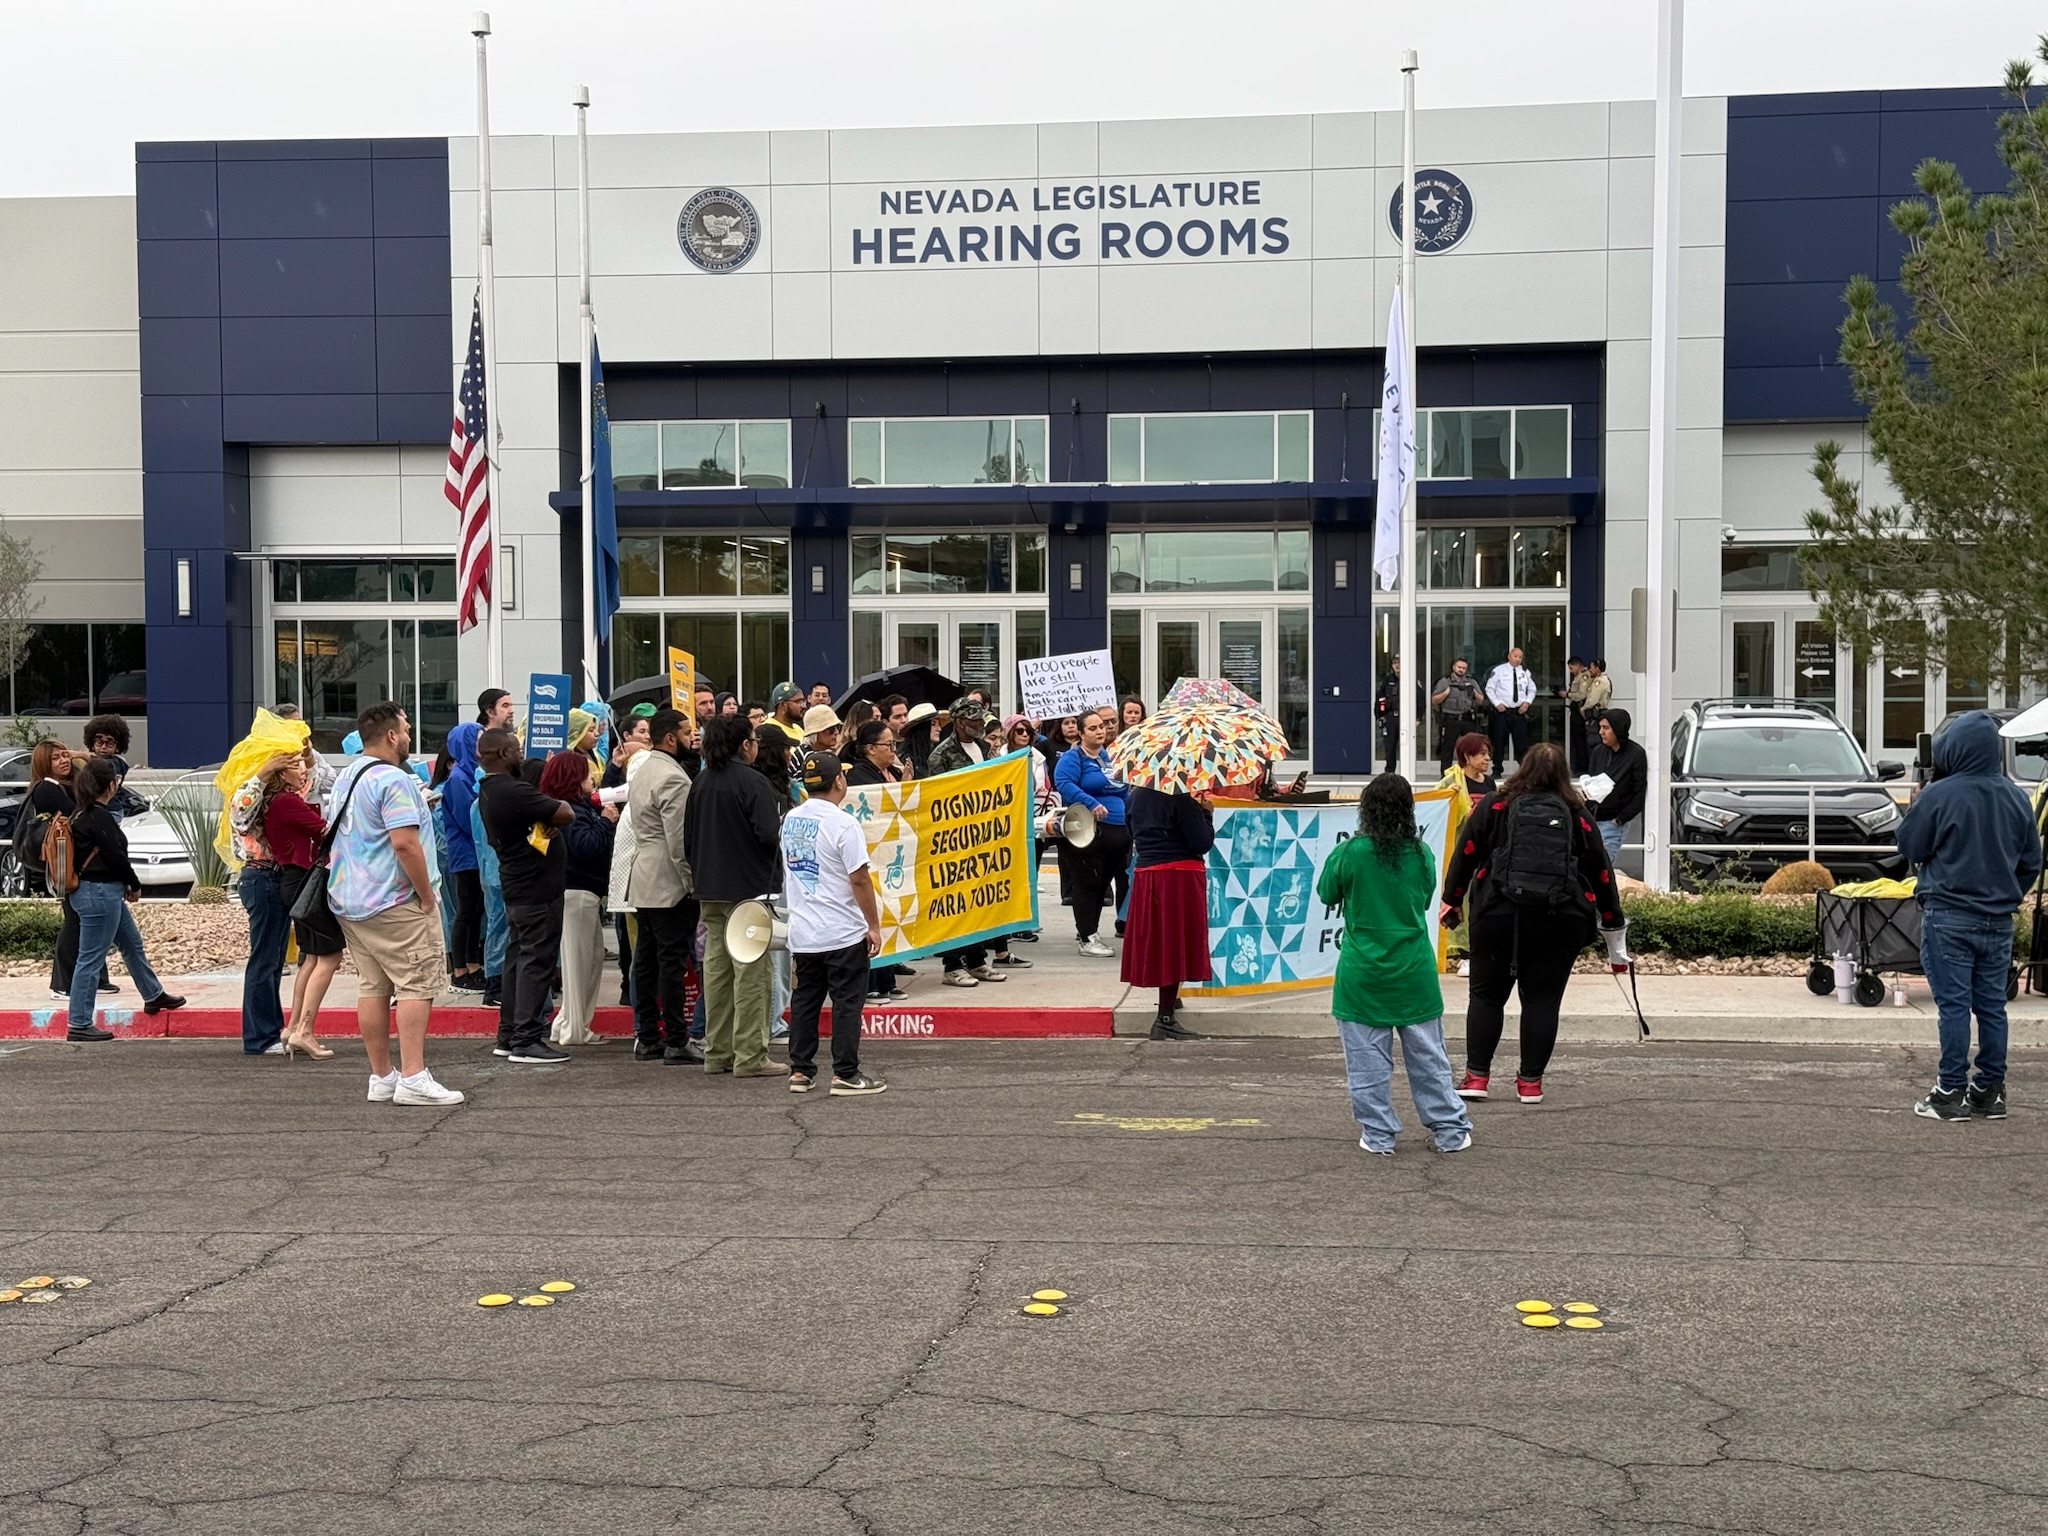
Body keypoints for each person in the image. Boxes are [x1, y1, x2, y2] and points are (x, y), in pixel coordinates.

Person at [1441, 742, 1625, 1106]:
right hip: (1560, 919)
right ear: (1563, 775)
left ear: (1522, 768)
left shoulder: (1496, 804)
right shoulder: (1576, 813)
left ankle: (1477, 1077)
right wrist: (1612, 927)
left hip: (1496, 914)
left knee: (1486, 996)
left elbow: (1465, 852)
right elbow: (1601, 871)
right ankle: (1530, 1084)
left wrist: (1452, 902)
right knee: (1542, 1000)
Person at [1316, 774, 1475, 1155]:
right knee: (1429, 1059)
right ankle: (1450, 1130)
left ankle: (1379, 1135)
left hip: (1362, 974)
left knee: (1367, 1065)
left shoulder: (1349, 853)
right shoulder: (1421, 854)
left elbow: (1326, 893)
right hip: (1413, 972)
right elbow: (1422, 902)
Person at [1897, 711, 2042, 1122]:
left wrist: (1917, 800)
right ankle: (1990, 1091)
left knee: (1955, 1006)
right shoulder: (2016, 796)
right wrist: (2007, 893)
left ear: (1954, 749)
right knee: (1992, 1006)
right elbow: (2031, 861)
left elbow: (1911, 846)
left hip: (1949, 915)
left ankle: (1949, 1091)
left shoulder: (1940, 795)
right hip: (1999, 919)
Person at [326, 702, 462, 1107]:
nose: (408, 734)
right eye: (405, 728)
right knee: (416, 984)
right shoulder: (394, 780)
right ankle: (414, 1076)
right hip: (395, 898)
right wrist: (425, 895)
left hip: (351, 899)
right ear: (390, 736)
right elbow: (404, 843)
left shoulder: (347, 775)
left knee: (373, 987)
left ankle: (382, 1075)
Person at [780, 749, 888, 1096]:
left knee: (805, 1001)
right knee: (846, 1003)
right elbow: (859, 879)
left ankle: (800, 1070)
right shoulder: (843, 823)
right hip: (841, 931)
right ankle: (845, 1073)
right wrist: (873, 924)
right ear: (839, 781)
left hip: (804, 932)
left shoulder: (791, 820)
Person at [684, 712, 786, 1076]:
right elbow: (769, 836)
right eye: (754, 739)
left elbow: (689, 839)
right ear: (745, 744)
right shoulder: (753, 782)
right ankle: (750, 1055)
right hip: (748, 889)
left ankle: (718, 1052)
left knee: (716, 970)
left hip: (710, 888)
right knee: (751, 973)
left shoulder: (700, 782)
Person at [60, 758, 186, 1043]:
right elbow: (115, 856)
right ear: (111, 784)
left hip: (97, 893)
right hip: (100, 893)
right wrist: (134, 883)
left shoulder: (81, 814)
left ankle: (153, 994)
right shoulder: (100, 817)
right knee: (90, 959)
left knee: (131, 944)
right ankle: (78, 1022)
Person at [476, 729, 574, 1065]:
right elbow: (565, 812)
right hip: (536, 889)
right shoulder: (511, 789)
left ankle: (509, 1033)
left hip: (520, 886)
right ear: (503, 754)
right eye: (517, 750)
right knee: (536, 960)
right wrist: (549, 815)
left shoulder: (490, 790)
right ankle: (527, 1039)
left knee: (518, 958)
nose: (522, 754)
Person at [256, 750, 344, 1059]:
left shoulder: (277, 803)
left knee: (311, 957)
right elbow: (325, 831)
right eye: (295, 766)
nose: (303, 770)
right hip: (304, 880)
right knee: (330, 954)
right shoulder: (287, 803)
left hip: (294, 880)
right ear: (281, 775)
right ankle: (304, 1029)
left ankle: (293, 1027)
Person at [626, 709, 701, 1064]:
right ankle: (675, 1038)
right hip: (668, 880)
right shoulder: (673, 777)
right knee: (670, 961)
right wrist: (691, 881)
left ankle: (648, 1035)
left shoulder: (643, 769)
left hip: (644, 876)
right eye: (687, 732)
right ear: (670, 737)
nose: (692, 738)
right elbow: (678, 840)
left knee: (647, 959)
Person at [922, 698, 1013, 987]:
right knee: (955, 903)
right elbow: (937, 797)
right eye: (975, 720)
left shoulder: (986, 750)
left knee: (977, 902)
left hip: (983, 834)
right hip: (955, 838)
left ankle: (976, 961)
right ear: (961, 722)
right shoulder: (942, 755)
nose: (980, 724)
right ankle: (952, 964)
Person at [21, 740, 111, 1001]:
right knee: (75, 922)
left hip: (81, 863)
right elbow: (80, 815)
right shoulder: (47, 789)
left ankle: (96, 977)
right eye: (55, 758)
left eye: (64, 755)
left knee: (91, 922)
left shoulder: (67, 785)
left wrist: (84, 757)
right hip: (68, 864)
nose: (63, 760)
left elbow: (108, 778)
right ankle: (62, 983)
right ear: (43, 764)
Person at [1123, 783, 1214, 1040]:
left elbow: (1132, 832)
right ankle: (1165, 1018)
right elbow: (1202, 842)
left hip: (1146, 873)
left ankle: (1170, 1001)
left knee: (1160, 942)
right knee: (1175, 944)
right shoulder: (1181, 799)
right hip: (1177, 876)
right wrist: (1206, 813)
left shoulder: (1134, 796)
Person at [544, 749, 616, 1047]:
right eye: (586, 773)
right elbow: (586, 847)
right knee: (578, 963)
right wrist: (605, 821)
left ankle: (568, 1023)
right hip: (577, 892)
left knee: (590, 957)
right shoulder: (570, 811)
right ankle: (576, 1028)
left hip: (582, 892)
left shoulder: (575, 807)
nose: (592, 778)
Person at [1055, 706, 1131, 958]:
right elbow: (1064, 784)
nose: (1101, 731)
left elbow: (1123, 786)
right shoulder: (1073, 758)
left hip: (1118, 831)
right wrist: (1091, 803)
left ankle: (1090, 932)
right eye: (1094, 728)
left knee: (1102, 885)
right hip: (1088, 832)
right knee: (1087, 883)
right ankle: (1087, 937)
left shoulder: (1110, 756)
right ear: (1081, 731)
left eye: (1103, 726)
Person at [234, 751, 295, 1058]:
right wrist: (263, 773)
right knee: (264, 960)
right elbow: (240, 814)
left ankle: (270, 1029)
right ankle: (258, 1035)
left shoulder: (277, 802)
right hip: (261, 877)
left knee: (272, 961)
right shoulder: (251, 795)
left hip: (272, 878)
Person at [437, 723, 486, 991]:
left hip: (476, 853)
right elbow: (468, 819)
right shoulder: (458, 779)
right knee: (465, 911)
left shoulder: (472, 774)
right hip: (465, 854)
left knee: (476, 911)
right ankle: (458, 971)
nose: (482, 745)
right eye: (477, 741)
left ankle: (473, 965)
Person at [1587, 709, 1647, 864]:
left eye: (1606, 728)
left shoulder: (1636, 754)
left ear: (1618, 729)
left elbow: (1639, 792)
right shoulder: (1598, 752)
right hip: (1593, 818)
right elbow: (1592, 783)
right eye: (1600, 728)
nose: (1601, 732)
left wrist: (1620, 819)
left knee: (1602, 865)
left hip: (1613, 821)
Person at [83, 714, 148, 820]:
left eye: (109, 743)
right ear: (92, 743)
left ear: (117, 747)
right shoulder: (94, 762)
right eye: (99, 742)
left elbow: (104, 768)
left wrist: (83, 756)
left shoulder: (117, 763)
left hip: (112, 810)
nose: (103, 747)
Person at [1435, 731, 1497, 839]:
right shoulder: (1452, 782)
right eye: (1482, 754)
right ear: (1467, 757)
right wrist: (1448, 797)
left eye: (1488, 754)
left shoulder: (1490, 782)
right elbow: (1436, 813)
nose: (1488, 758)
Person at [1483, 646, 1537, 767]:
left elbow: (1532, 689)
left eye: (1520, 657)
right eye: (1515, 656)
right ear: (1509, 656)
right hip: (1502, 712)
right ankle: (1497, 769)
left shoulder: (1525, 671)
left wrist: (1527, 702)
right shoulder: (1498, 670)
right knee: (1499, 742)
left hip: (1519, 712)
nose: (1518, 659)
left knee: (1521, 744)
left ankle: (1524, 770)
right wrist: (1497, 703)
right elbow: (1489, 688)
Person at [1430, 658, 1485, 770]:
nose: (1461, 670)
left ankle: (1470, 772)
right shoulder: (1445, 681)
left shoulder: (1471, 682)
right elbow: (1434, 700)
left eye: (1464, 668)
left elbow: (1481, 700)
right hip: (1451, 719)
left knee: (1471, 747)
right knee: (1447, 749)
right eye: (1459, 667)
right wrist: (1446, 693)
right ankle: (1445, 775)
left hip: (1467, 718)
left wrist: (1473, 692)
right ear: (1454, 667)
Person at [1579, 660, 1614, 769]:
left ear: (1597, 668)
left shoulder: (1598, 682)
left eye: (1592, 667)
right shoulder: (1606, 680)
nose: (1590, 670)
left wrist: (1583, 708)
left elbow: (1593, 699)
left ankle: (1595, 769)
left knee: (1593, 743)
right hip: (1600, 714)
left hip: (1595, 716)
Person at [1560, 657, 1590, 772]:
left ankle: (1582, 768)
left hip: (1579, 711)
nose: (1570, 671)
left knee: (1580, 740)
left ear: (1577, 665)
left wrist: (1568, 695)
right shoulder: (1579, 676)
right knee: (1576, 740)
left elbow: (1581, 694)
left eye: (1571, 668)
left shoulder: (1583, 676)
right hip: (1575, 711)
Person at [902, 702, 940, 777]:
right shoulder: (907, 760)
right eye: (933, 724)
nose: (939, 729)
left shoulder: (938, 754)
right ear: (921, 728)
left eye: (939, 724)